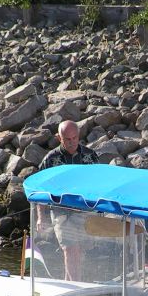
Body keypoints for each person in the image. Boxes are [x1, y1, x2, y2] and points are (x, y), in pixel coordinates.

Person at [36, 120, 98, 281]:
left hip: (85, 212)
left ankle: (68, 283)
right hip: (61, 213)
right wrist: (41, 217)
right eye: (67, 139)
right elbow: (41, 190)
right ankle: (76, 287)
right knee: (70, 249)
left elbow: (100, 185)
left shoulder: (90, 156)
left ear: (79, 136)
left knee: (78, 251)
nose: (72, 143)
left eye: (75, 138)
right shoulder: (50, 160)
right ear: (59, 138)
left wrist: (101, 211)